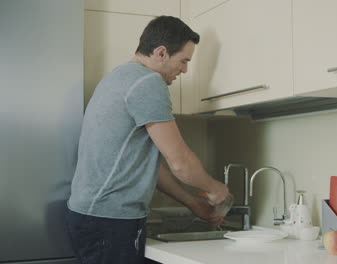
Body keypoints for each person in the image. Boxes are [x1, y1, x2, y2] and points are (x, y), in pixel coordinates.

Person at [66, 16, 230, 264]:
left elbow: (145, 165)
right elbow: (181, 163)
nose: (184, 70)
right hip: (110, 221)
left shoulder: (118, 78)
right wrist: (216, 189)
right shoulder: (147, 82)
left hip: (93, 216)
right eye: (184, 61)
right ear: (161, 52)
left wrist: (191, 202)